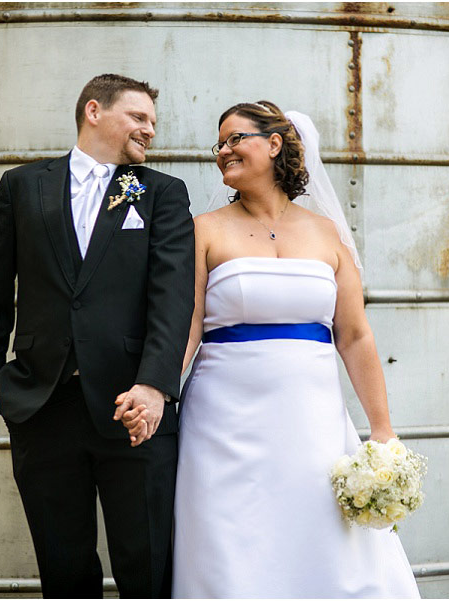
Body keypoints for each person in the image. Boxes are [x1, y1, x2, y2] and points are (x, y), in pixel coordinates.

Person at [167, 101, 420, 597]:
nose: (223, 152)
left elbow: (355, 336)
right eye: (218, 144)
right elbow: (188, 327)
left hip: (314, 418)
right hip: (224, 421)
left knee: (323, 539)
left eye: (235, 138)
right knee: (232, 542)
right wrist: (156, 393)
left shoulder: (326, 234)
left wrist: (382, 429)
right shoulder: (204, 230)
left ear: (275, 143)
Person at [0, 74, 194, 598]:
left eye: (153, 123)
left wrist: (155, 387)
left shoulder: (161, 194)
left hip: (133, 409)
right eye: (138, 118)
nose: (150, 132)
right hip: (42, 407)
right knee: (64, 572)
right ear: (94, 111)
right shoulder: (23, 187)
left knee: (148, 568)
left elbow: (172, 300)